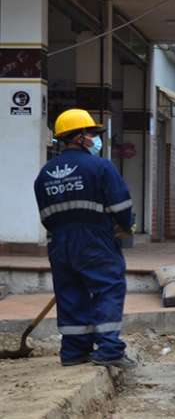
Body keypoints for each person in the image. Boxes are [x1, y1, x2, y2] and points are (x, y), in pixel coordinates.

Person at [34, 109, 136, 369]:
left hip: (59, 242)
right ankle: (110, 350)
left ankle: (74, 351)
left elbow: (46, 216)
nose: (94, 138)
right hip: (95, 239)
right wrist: (125, 226)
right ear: (79, 137)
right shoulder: (100, 166)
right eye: (91, 133)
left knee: (70, 293)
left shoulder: (44, 173)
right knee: (108, 288)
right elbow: (121, 205)